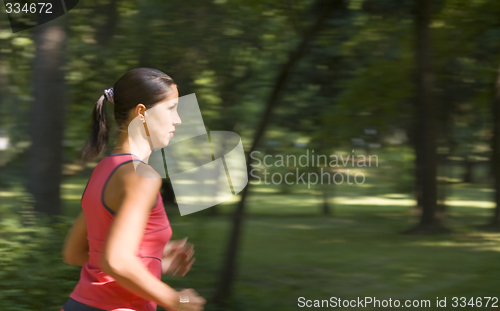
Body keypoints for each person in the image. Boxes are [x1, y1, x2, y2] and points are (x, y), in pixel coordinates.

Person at [60, 68, 206, 311]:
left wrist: (152, 259)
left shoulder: (104, 170)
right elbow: (115, 261)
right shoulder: (141, 176)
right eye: (171, 109)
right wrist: (176, 300)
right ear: (142, 113)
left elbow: (75, 253)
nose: (178, 119)